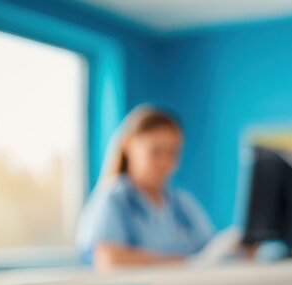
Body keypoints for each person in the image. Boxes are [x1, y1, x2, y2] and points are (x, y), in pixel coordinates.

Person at [75, 105, 214, 269]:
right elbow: (108, 259)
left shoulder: (182, 203)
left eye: (172, 153)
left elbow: (212, 250)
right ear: (128, 146)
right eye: (155, 152)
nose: (165, 162)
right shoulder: (113, 200)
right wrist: (181, 262)